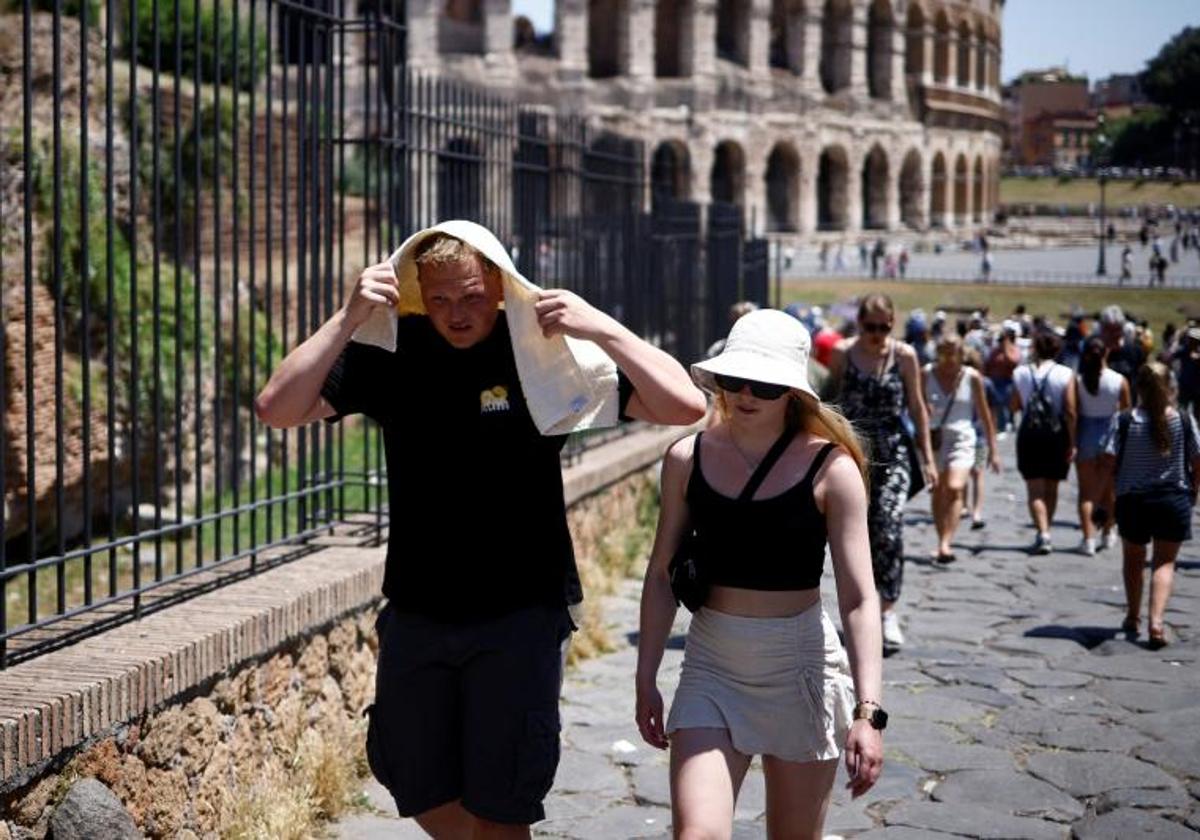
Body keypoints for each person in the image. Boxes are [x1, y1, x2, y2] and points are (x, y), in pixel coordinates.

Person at [254, 222, 707, 838]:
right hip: (419, 608)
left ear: (497, 284)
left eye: (469, 296)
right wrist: (346, 317)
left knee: (503, 803)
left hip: (520, 611)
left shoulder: (538, 354)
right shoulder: (395, 352)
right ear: (418, 293)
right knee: (412, 782)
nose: (456, 313)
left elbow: (685, 405)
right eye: (438, 299)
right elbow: (276, 407)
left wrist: (601, 326)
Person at [635, 309, 885, 839]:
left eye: (766, 384)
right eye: (733, 379)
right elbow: (660, 576)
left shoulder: (832, 469)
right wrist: (645, 678)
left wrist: (868, 712)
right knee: (696, 835)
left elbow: (860, 599)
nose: (746, 393)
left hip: (801, 670)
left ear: (793, 393)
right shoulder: (686, 457)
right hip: (712, 666)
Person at [829, 295, 937, 651]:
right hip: (853, 452)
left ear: (893, 323)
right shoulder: (844, 353)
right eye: (869, 327)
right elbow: (829, 401)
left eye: (884, 327)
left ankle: (887, 610)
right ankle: (860, 606)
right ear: (859, 323)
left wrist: (928, 456)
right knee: (853, 533)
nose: (876, 334)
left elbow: (918, 407)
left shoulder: (904, 356)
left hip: (893, 451)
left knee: (888, 528)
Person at [1103, 362, 1200, 649]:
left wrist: (1104, 499)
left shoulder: (1124, 420)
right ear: (1170, 386)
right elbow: (1197, 459)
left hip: (1133, 500)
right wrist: (1195, 489)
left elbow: (1109, 461)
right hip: (1173, 498)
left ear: (1139, 388)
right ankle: (1156, 622)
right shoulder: (1183, 419)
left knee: (1133, 560)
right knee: (1165, 562)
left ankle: (1133, 616)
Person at [922, 335, 1000, 563]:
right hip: (935, 438)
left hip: (963, 438)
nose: (949, 357)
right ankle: (941, 540)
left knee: (955, 487)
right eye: (944, 351)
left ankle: (946, 542)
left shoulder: (972, 377)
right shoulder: (926, 373)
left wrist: (993, 450)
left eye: (953, 351)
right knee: (938, 490)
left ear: (961, 352)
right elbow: (914, 406)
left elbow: (985, 416)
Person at [1011, 329, 1077, 555]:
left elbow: (1015, 405)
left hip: (1030, 433)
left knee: (1034, 489)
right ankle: (1046, 529)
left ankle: (1043, 532)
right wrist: (1073, 440)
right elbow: (1070, 410)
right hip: (1056, 435)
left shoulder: (1020, 372)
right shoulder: (1066, 373)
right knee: (1052, 486)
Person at [1074, 336, 1131, 555]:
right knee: (1110, 491)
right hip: (1112, 434)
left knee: (1087, 493)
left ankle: (1088, 537)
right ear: (1105, 353)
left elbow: (1075, 412)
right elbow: (1127, 413)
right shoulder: (1119, 380)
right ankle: (1108, 532)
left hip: (1087, 433)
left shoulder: (1079, 381)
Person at [984, 322, 1021, 433]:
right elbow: (988, 363)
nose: (1000, 342)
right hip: (995, 381)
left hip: (1007, 381)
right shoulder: (995, 350)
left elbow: (1013, 362)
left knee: (1007, 404)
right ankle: (1001, 426)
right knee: (998, 404)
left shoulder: (1014, 349)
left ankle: (1008, 423)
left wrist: (1006, 347)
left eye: (1002, 340)